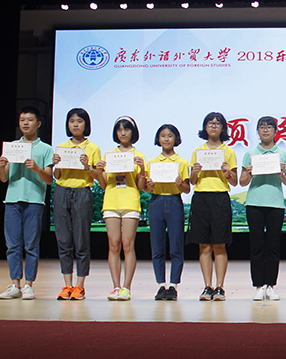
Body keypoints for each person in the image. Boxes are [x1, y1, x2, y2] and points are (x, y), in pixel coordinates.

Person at [0, 106, 54, 300]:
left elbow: (49, 179)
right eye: (22, 120)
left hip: (34, 201)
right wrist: (1, 167)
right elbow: (3, 178)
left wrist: (37, 168)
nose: (25, 123)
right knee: (12, 245)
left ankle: (29, 284)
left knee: (31, 245)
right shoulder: (12, 147)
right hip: (12, 200)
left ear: (38, 124)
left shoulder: (45, 149)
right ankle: (15, 284)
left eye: (30, 120)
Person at [240, 116, 286, 301]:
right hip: (254, 203)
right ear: (257, 131)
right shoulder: (250, 153)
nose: (265, 130)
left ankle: (270, 285)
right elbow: (242, 182)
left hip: (275, 204)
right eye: (262, 127)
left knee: (273, 246)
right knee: (256, 246)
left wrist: (281, 173)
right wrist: (249, 173)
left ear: (275, 131)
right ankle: (258, 286)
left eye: (269, 127)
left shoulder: (283, 154)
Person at [52, 108, 102, 301]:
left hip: (82, 192)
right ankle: (67, 285)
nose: (75, 124)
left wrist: (87, 166)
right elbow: (57, 176)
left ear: (86, 125)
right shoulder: (61, 147)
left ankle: (80, 286)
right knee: (63, 240)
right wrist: (56, 164)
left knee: (81, 240)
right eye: (72, 121)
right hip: (61, 192)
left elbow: (98, 177)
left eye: (79, 121)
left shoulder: (93, 148)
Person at [95, 116, 145, 301]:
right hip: (111, 202)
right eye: (119, 129)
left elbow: (140, 187)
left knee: (128, 244)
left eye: (127, 129)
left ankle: (127, 287)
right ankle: (116, 286)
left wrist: (142, 170)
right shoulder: (108, 156)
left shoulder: (139, 156)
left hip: (130, 202)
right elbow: (103, 185)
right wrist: (99, 171)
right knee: (114, 244)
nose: (123, 133)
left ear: (133, 132)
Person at [189, 112, 238, 301]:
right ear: (205, 127)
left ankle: (220, 287)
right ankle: (207, 286)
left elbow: (234, 182)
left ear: (223, 128)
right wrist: (194, 172)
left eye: (218, 123)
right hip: (201, 198)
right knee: (203, 246)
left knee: (219, 245)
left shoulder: (228, 151)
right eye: (210, 123)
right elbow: (193, 181)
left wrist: (227, 173)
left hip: (220, 198)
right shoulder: (198, 151)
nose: (214, 126)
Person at [145, 124, 190, 301]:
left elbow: (187, 189)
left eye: (170, 135)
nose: (166, 139)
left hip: (174, 202)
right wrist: (149, 186)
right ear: (158, 139)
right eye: (163, 135)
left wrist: (180, 184)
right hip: (156, 201)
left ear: (176, 139)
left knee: (176, 246)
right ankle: (160, 285)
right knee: (157, 247)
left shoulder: (182, 162)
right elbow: (146, 189)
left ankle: (173, 286)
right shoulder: (152, 162)